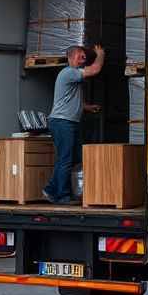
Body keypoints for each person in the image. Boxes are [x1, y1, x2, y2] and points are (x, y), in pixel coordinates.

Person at [43, 44, 104, 204]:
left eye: (84, 56)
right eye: (80, 56)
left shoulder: (74, 77)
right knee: (66, 159)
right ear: (70, 57)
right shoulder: (69, 72)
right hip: (62, 122)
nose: (83, 58)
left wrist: (87, 107)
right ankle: (61, 195)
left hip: (70, 122)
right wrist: (100, 54)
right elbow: (95, 69)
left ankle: (51, 189)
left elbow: (70, 99)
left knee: (75, 157)